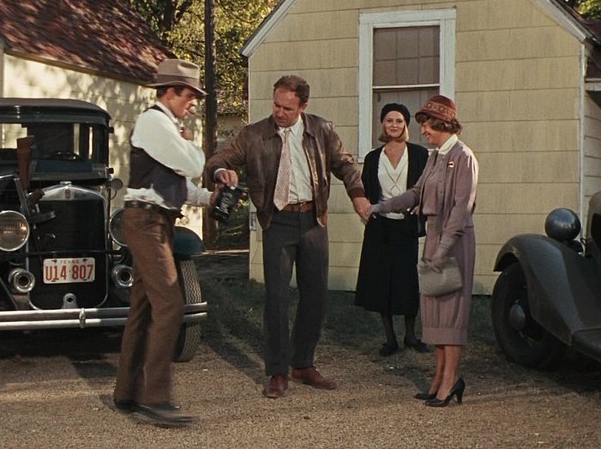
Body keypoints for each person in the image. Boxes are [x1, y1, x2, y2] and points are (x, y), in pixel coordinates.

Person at [205, 75, 371, 398]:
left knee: (316, 296)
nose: (279, 113)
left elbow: (345, 164)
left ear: (303, 106)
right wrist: (220, 172)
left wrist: (358, 195)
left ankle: (303, 363)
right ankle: (278, 371)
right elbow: (217, 159)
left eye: (288, 108)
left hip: (313, 219)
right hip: (276, 221)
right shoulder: (254, 135)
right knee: (277, 298)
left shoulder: (321, 130)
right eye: (276, 106)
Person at [112, 58, 214, 427]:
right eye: (189, 96)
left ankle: (127, 392)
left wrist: (212, 199)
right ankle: (155, 398)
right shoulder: (154, 122)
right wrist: (191, 145)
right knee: (170, 303)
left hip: (157, 219)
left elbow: (180, 185)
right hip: (147, 221)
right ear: (169, 93)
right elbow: (193, 165)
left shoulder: (165, 127)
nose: (193, 103)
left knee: (143, 306)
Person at [368, 95, 478, 407]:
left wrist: (443, 250)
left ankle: (451, 379)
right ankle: (439, 377)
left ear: (443, 124)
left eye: (427, 124)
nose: (423, 130)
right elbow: (416, 193)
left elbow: (461, 208)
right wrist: (383, 206)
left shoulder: (463, 156)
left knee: (451, 313)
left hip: (454, 242)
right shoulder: (435, 157)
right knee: (435, 312)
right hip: (433, 238)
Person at [354, 103, 430, 357]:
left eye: (399, 121)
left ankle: (410, 335)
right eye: (389, 121)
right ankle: (390, 339)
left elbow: (428, 187)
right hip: (380, 226)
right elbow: (365, 191)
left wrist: (421, 205)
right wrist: (367, 210)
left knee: (406, 281)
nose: (394, 125)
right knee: (380, 281)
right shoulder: (373, 157)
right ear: (382, 124)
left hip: (406, 225)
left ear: (405, 125)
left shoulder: (419, 154)